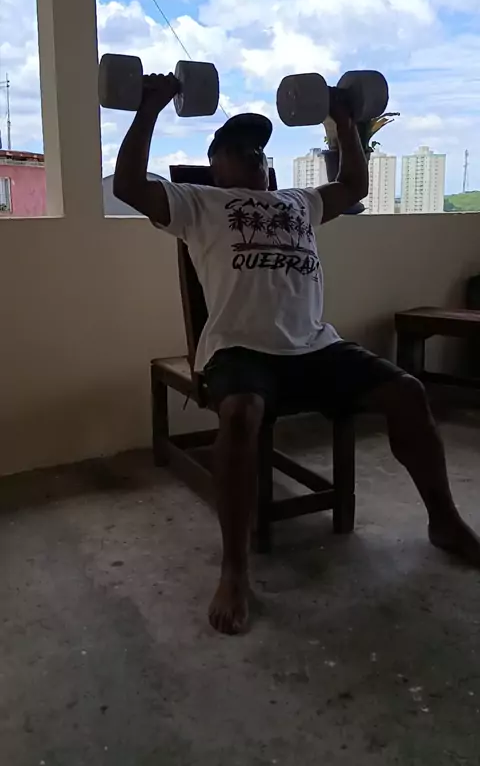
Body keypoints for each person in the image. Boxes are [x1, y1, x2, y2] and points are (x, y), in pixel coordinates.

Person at [114, 73, 480, 636]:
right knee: (241, 414)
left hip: (315, 346)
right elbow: (128, 185)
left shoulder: (299, 202)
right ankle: (234, 569)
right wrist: (150, 106)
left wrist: (343, 118)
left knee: (407, 392)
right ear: (216, 166)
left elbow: (353, 183)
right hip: (239, 350)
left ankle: (444, 521)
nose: (255, 157)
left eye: (260, 150)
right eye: (239, 148)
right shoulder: (199, 204)